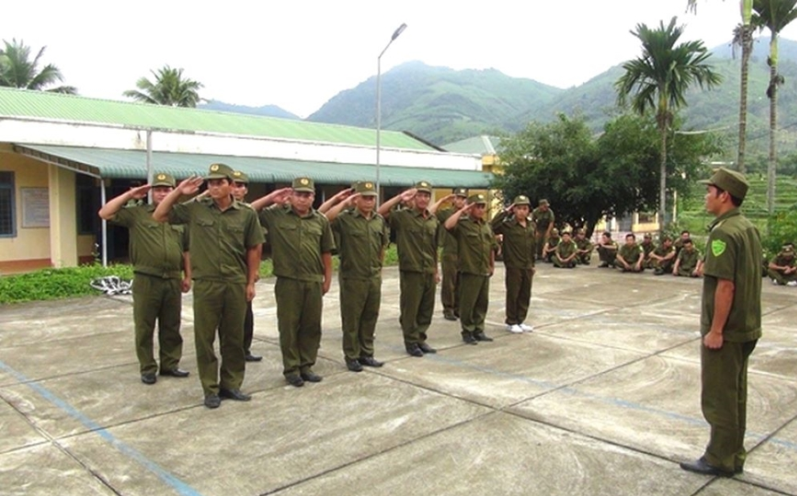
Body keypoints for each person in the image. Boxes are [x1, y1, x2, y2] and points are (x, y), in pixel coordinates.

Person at [153, 164, 264, 409]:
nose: (214, 187)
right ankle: (210, 389)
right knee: (205, 339)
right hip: (206, 284)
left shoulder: (246, 214)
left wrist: (250, 281)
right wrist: (180, 191)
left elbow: (254, 247)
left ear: (230, 185)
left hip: (235, 283)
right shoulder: (195, 209)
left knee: (233, 338)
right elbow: (159, 215)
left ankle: (231, 384)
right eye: (210, 183)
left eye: (219, 182)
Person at [680, 167, 762, 478]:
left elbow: (726, 285)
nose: (706, 196)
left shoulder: (723, 232)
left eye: (710, 191)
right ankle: (733, 454)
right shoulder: (746, 228)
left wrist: (715, 330)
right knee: (735, 394)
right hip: (746, 326)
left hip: (726, 330)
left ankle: (718, 458)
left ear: (724, 196)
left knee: (718, 397)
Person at [98, 173, 191, 385]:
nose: (162, 193)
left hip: (172, 279)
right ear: (151, 192)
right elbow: (104, 213)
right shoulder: (137, 214)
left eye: (167, 189)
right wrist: (130, 194)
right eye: (158, 189)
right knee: (145, 325)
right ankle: (148, 367)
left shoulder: (179, 216)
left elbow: (186, 250)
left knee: (171, 325)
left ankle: (170, 364)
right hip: (146, 278)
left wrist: (188, 276)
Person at [251, 177, 335, 387]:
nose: (303, 199)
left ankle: (306, 365)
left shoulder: (320, 220)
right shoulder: (275, 215)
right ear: (291, 196)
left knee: (311, 326)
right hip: (288, 281)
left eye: (307, 195)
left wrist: (327, 279)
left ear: (313, 197)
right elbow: (248, 212)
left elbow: (326, 252)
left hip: (313, 280)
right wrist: (272, 198)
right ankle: (291, 368)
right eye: (299, 194)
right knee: (289, 326)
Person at [324, 181, 389, 372]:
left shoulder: (378, 220)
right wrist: (344, 203)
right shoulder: (345, 219)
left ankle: (366, 353)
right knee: (352, 319)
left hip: (373, 276)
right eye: (365, 197)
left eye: (372, 198)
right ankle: (351, 356)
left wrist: (379, 269)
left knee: (370, 316)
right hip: (352, 277)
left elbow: (382, 246)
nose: (369, 201)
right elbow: (325, 218)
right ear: (357, 199)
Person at [378, 182, 439, 357]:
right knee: (410, 309)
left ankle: (420, 338)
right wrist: (399, 198)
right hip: (411, 270)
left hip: (428, 269)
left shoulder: (433, 220)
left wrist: (436, 270)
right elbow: (380, 212)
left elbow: (433, 248)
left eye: (426, 196)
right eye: (419, 195)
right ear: (413, 198)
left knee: (426, 308)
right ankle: (411, 342)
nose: (423, 199)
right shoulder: (402, 217)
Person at [444, 193, 496, 344]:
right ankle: (467, 331)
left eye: (482, 207)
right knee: (468, 303)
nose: (480, 210)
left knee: (482, 303)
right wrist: (463, 210)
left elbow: (491, 246)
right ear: (470, 208)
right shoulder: (463, 224)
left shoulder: (486, 226)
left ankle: (479, 330)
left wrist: (491, 265)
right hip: (469, 270)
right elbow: (448, 225)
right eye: (477, 207)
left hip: (483, 270)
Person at [230, 171, 263, 362]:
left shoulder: (248, 214)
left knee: (246, 313)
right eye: (234, 185)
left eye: (241, 186)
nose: (237, 189)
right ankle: (232, 350)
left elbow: (256, 245)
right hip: (226, 269)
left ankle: (245, 348)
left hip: (244, 270)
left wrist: (255, 270)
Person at [491, 196, 536, 333]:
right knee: (513, 293)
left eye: (525, 209)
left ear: (528, 210)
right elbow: (492, 226)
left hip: (527, 265)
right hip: (514, 265)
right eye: (518, 208)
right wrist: (506, 211)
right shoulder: (508, 226)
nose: (522, 212)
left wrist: (533, 264)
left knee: (525, 293)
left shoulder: (531, 226)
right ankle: (511, 321)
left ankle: (520, 320)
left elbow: (532, 246)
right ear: (514, 210)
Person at [432, 188, 468, 321]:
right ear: (454, 199)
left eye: (463, 198)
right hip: (450, 251)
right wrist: (442, 201)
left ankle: (458, 308)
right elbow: (431, 212)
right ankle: (448, 309)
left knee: (461, 283)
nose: (460, 201)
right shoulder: (447, 213)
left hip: (464, 252)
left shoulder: (467, 215)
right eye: (458, 198)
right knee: (449, 283)